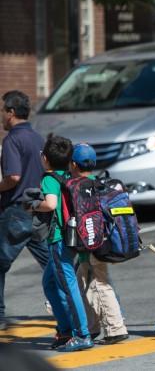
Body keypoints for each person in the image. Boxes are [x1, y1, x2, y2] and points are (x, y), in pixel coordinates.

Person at [36, 136, 94, 351]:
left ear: (44, 158)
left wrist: (33, 205)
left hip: (60, 239)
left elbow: (50, 204)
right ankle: (65, 330)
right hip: (76, 236)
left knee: (69, 286)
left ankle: (81, 334)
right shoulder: (71, 176)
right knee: (50, 283)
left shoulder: (49, 179)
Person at [0, 91, 49, 330]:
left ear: (11, 113)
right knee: (52, 263)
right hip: (38, 209)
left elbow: (13, 177)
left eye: (3, 111)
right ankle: (74, 306)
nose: (1, 116)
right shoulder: (38, 138)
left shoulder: (12, 140)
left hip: (16, 209)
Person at [71, 144, 129, 345]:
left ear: (73, 164)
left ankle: (116, 329)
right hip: (104, 241)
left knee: (100, 284)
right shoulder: (99, 183)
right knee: (85, 282)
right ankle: (93, 326)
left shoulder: (78, 187)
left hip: (92, 244)